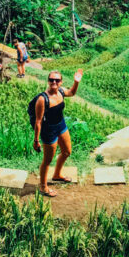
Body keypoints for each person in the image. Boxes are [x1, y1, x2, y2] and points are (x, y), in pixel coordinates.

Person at [33, 68, 83, 197]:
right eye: (51, 80)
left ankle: (57, 175)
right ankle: (43, 186)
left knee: (67, 151)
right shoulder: (42, 99)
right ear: (48, 81)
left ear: (61, 82)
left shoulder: (61, 91)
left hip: (61, 125)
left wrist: (76, 82)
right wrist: (36, 140)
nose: (54, 82)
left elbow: (71, 92)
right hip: (48, 131)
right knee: (47, 160)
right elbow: (38, 122)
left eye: (57, 80)